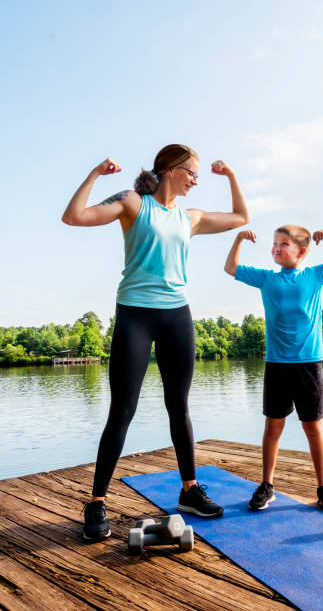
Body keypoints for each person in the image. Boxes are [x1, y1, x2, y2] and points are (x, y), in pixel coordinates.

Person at [62, 144, 250, 540]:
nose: (196, 181)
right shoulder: (132, 202)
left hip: (177, 316)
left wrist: (231, 176)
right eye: (192, 173)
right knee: (123, 410)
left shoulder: (190, 217)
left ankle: (188, 490)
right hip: (135, 315)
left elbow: (240, 217)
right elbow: (73, 216)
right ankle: (96, 502)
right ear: (169, 170)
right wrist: (96, 173)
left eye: (198, 175)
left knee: (178, 406)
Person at [224, 224, 323, 514]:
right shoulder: (267, 279)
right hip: (277, 366)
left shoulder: (314, 275)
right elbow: (230, 267)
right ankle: (267, 486)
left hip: (308, 364)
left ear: (302, 251)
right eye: (274, 243)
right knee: (273, 425)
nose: (275, 247)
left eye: (283, 243)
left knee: (313, 426)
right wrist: (238, 239)